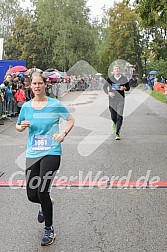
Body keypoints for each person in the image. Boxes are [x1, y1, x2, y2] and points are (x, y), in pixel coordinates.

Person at [16, 72, 74, 246]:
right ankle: (45, 204)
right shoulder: (26, 106)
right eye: (34, 83)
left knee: (42, 190)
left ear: (45, 85)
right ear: (30, 85)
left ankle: (49, 229)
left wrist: (63, 133)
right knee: (32, 194)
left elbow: (70, 120)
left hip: (52, 151)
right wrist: (21, 126)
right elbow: (19, 126)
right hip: (33, 153)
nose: (37, 86)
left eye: (40, 83)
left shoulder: (55, 104)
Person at [103, 65, 130, 140]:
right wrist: (109, 93)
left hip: (120, 99)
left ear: (120, 70)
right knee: (113, 116)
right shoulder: (110, 78)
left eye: (118, 69)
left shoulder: (123, 78)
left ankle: (117, 133)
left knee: (119, 116)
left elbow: (128, 88)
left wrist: (124, 88)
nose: (117, 70)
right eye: (115, 69)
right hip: (112, 99)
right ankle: (114, 122)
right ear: (113, 71)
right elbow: (104, 87)